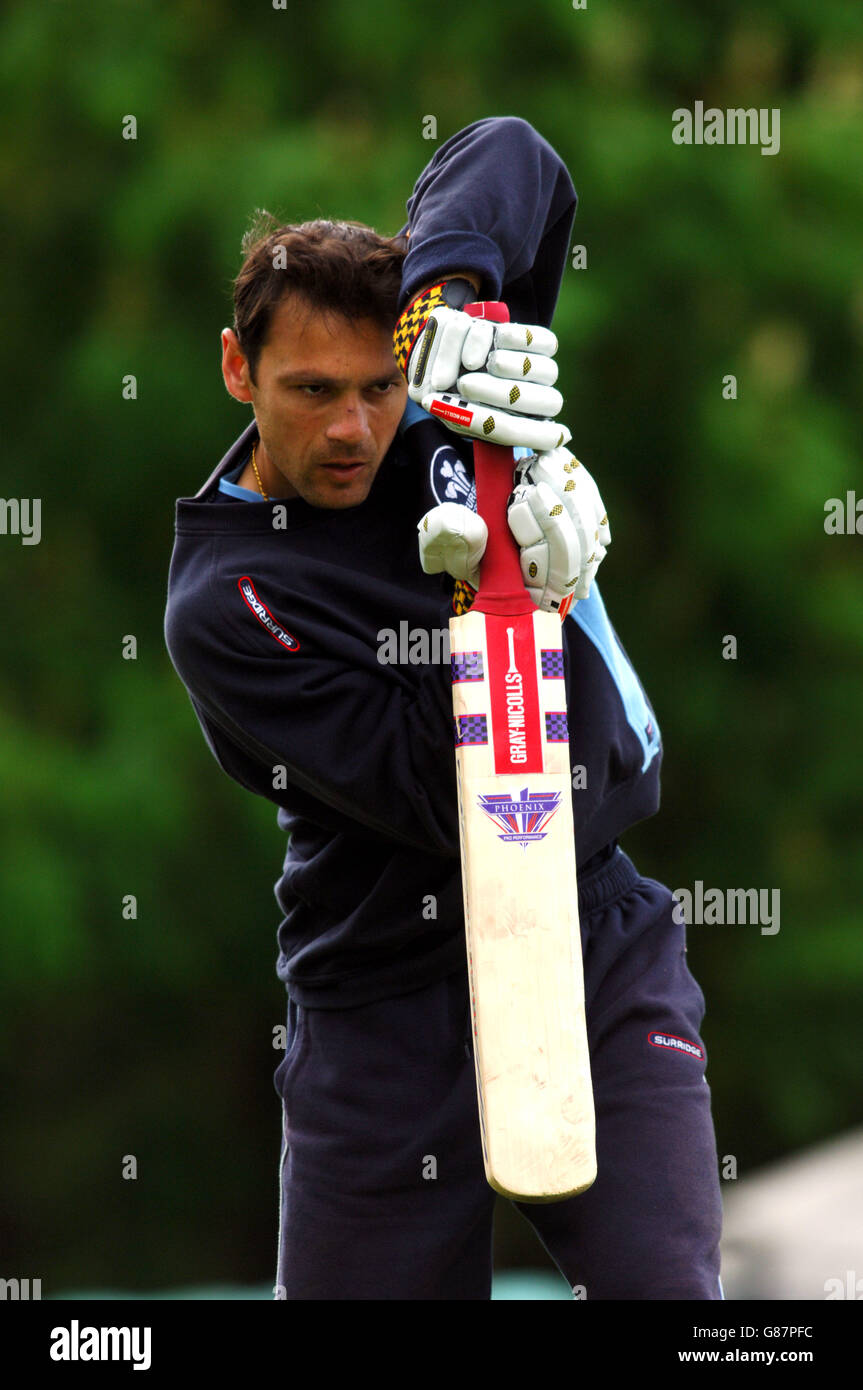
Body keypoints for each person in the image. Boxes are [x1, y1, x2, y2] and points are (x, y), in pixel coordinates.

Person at [164, 117, 723, 1300]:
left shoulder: (443, 402)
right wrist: (516, 601)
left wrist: (453, 301)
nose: (352, 429)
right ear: (235, 369)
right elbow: (450, 798)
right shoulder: (227, 599)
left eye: (376, 387)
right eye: (309, 392)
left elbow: (515, 154)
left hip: (588, 936)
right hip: (376, 1005)